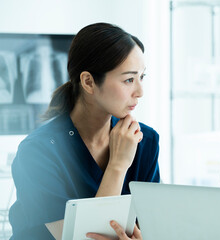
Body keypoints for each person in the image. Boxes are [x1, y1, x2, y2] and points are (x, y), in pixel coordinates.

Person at [9, 22, 160, 240]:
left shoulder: (145, 140)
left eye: (142, 77)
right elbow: (82, 238)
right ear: (88, 82)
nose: (140, 92)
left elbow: (149, 228)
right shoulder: (38, 152)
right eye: (129, 79)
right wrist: (117, 165)